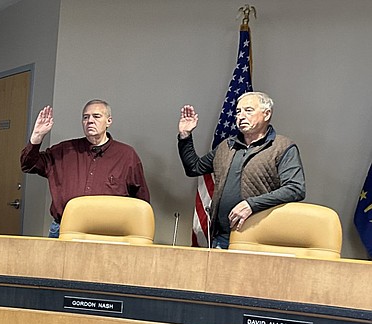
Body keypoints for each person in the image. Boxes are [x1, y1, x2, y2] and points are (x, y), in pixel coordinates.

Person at [177, 91, 306, 249]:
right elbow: (194, 167)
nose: (241, 116)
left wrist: (252, 204)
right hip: (221, 238)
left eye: (248, 110)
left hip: (257, 238)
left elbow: (295, 188)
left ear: (266, 114)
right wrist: (185, 135)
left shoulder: (282, 147)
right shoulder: (226, 146)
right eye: (238, 112)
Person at [21, 100, 150, 237]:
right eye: (85, 117)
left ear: (109, 121)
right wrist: (37, 136)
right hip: (65, 229)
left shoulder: (126, 155)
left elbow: (141, 200)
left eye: (96, 116)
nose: (90, 121)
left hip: (109, 232)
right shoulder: (64, 151)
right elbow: (28, 165)